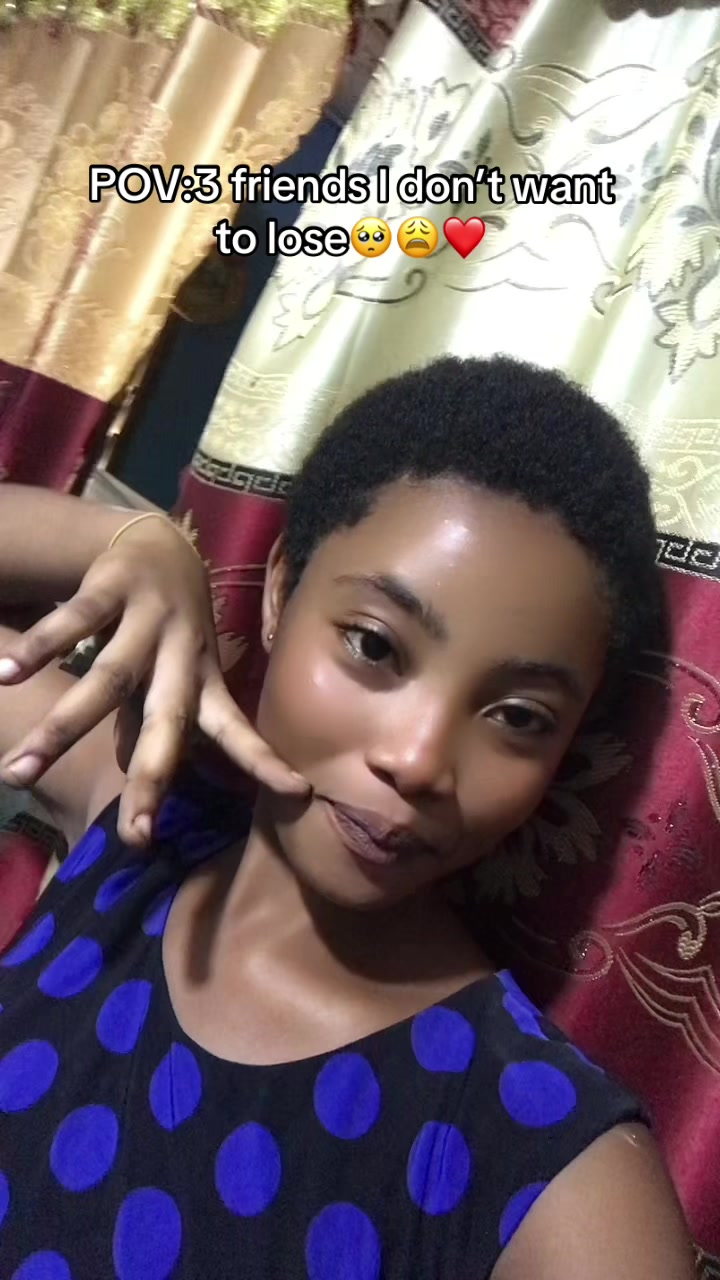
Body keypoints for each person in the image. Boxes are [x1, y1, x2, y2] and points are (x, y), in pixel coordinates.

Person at [0, 356, 693, 1280]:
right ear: (280, 591)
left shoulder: (557, 1174)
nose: (418, 759)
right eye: (374, 645)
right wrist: (131, 540)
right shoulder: (133, 817)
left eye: (519, 717)